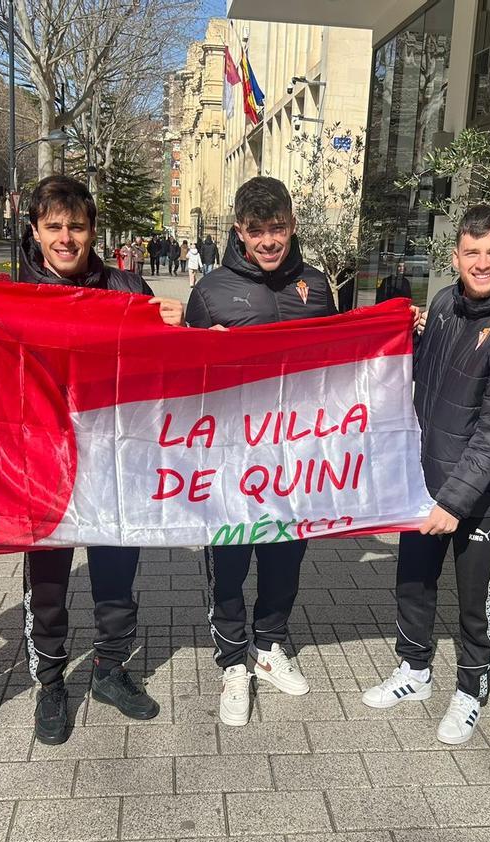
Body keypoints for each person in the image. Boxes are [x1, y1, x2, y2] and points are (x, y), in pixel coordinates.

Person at [360, 205, 490, 747]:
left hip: (481, 499)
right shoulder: (444, 304)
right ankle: (414, 670)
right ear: (455, 256)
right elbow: (421, 381)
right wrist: (407, 335)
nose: (482, 263)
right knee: (412, 585)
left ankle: (470, 693)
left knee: (476, 607)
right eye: (472, 252)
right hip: (423, 484)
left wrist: (455, 501)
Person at [18, 175, 183, 743]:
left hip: (117, 460)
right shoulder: (15, 296)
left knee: (116, 574)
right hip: (45, 464)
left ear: (92, 231)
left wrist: (176, 327)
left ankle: (110, 669)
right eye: (54, 227)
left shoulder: (126, 288)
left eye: (77, 226)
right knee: (48, 583)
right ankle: (50, 683)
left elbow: (166, 368)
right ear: (35, 231)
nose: (66, 238)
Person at [184, 176, 337, 726]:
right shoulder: (210, 291)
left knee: (284, 560)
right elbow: (184, 382)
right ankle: (232, 662)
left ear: (292, 225)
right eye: (257, 231)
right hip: (231, 459)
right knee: (229, 563)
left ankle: (269, 646)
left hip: (296, 459)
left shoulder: (316, 286)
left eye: (277, 228)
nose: (269, 240)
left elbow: (339, 366)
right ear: (239, 232)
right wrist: (204, 353)